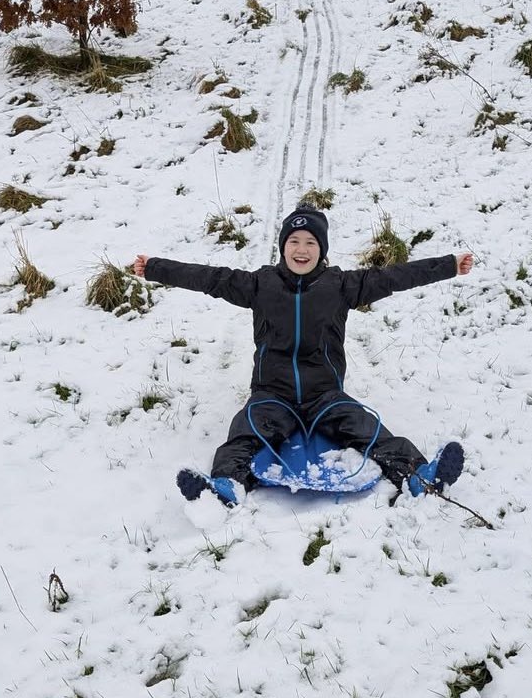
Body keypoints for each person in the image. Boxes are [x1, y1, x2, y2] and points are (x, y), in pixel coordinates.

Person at [134, 204, 473, 507]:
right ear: (283, 246)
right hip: (273, 394)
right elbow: (208, 278)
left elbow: (394, 277)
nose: (301, 249)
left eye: (311, 242)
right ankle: (226, 487)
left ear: (321, 250)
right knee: (244, 431)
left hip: (324, 394)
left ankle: (419, 476)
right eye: (294, 241)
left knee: (365, 427)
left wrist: (449, 265)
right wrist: (155, 268)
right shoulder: (260, 284)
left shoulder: (341, 286)